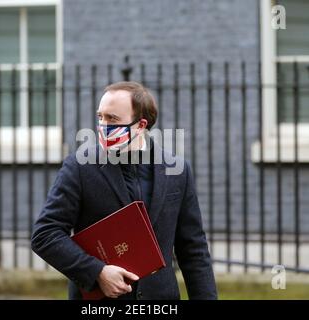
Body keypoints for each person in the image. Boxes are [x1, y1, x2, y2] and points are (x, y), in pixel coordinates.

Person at [31, 81, 217, 300]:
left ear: (141, 125)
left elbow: (193, 249)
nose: (103, 125)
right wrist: (97, 271)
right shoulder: (79, 167)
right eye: (100, 117)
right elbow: (45, 234)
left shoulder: (177, 170)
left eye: (112, 119)